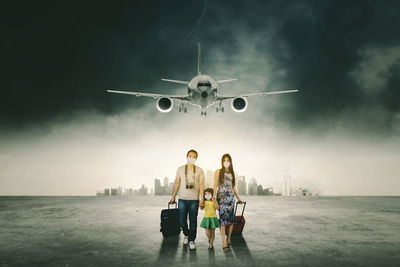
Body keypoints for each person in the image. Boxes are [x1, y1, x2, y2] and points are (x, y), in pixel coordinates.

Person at [170, 149, 205, 250]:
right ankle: (186, 234)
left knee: (193, 221)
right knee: (182, 221)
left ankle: (192, 240)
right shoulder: (180, 169)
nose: (192, 158)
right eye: (190, 155)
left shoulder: (199, 170)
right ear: (186, 156)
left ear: (196, 159)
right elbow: (177, 183)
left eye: (194, 156)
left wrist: (202, 199)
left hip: (194, 200)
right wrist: (173, 196)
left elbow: (202, 185)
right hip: (182, 199)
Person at [213, 153, 243, 252]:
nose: (226, 162)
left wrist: (238, 198)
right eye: (224, 160)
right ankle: (224, 242)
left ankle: (229, 238)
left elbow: (234, 187)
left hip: (231, 199)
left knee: (230, 221)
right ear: (222, 161)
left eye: (228, 160)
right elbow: (215, 186)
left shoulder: (232, 172)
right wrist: (214, 199)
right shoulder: (218, 171)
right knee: (222, 221)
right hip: (221, 199)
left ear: (230, 162)